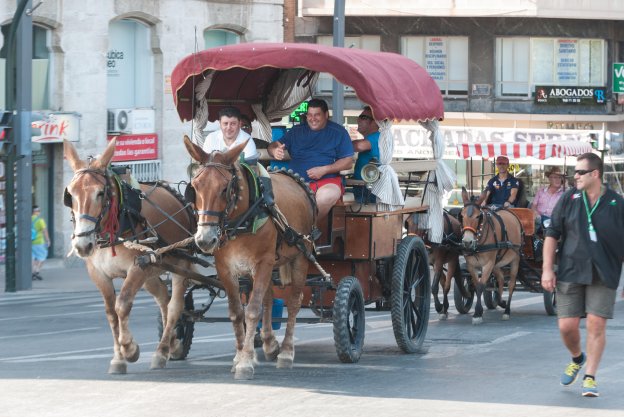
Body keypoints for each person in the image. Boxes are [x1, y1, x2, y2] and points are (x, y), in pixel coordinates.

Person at [541, 152, 624, 398]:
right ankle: (577, 358)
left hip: (604, 272)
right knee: (567, 326)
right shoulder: (569, 199)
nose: (574, 176)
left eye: (580, 172)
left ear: (595, 174)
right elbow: (552, 234)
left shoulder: (617, 204)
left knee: (597, 324)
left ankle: (590, 376)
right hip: (571, 270)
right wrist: (547, 268)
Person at [267, 98, 354, 220]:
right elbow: (273, 145)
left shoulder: (339, 132)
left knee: (326, 196)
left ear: (326, 115)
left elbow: (348, 162)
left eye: (317, 115)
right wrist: (274, 150)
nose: (312, 119)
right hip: (294, 182)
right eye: (310, 115)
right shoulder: (296, 131)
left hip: (327, 182)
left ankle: (308, 230)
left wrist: (324, 170)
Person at [351, 106, 380, 203]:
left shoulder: (377, 136)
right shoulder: (374, 137)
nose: (358, 120)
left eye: (363, 117)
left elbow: (359, 146)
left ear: (375, 122)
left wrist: (338, 143)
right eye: (359, 117)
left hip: (368, 189)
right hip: (363, 187)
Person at [31, 205, 50, 281]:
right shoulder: (40, 220)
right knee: (42, 256)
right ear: (35, 212)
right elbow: (45, 231)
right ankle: (36, 271)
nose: (39, 212)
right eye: (38, 211)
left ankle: (33, 272)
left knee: (33, 258)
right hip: (39, 241)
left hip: (30, 242)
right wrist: (48, 240)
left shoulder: (28, 219)